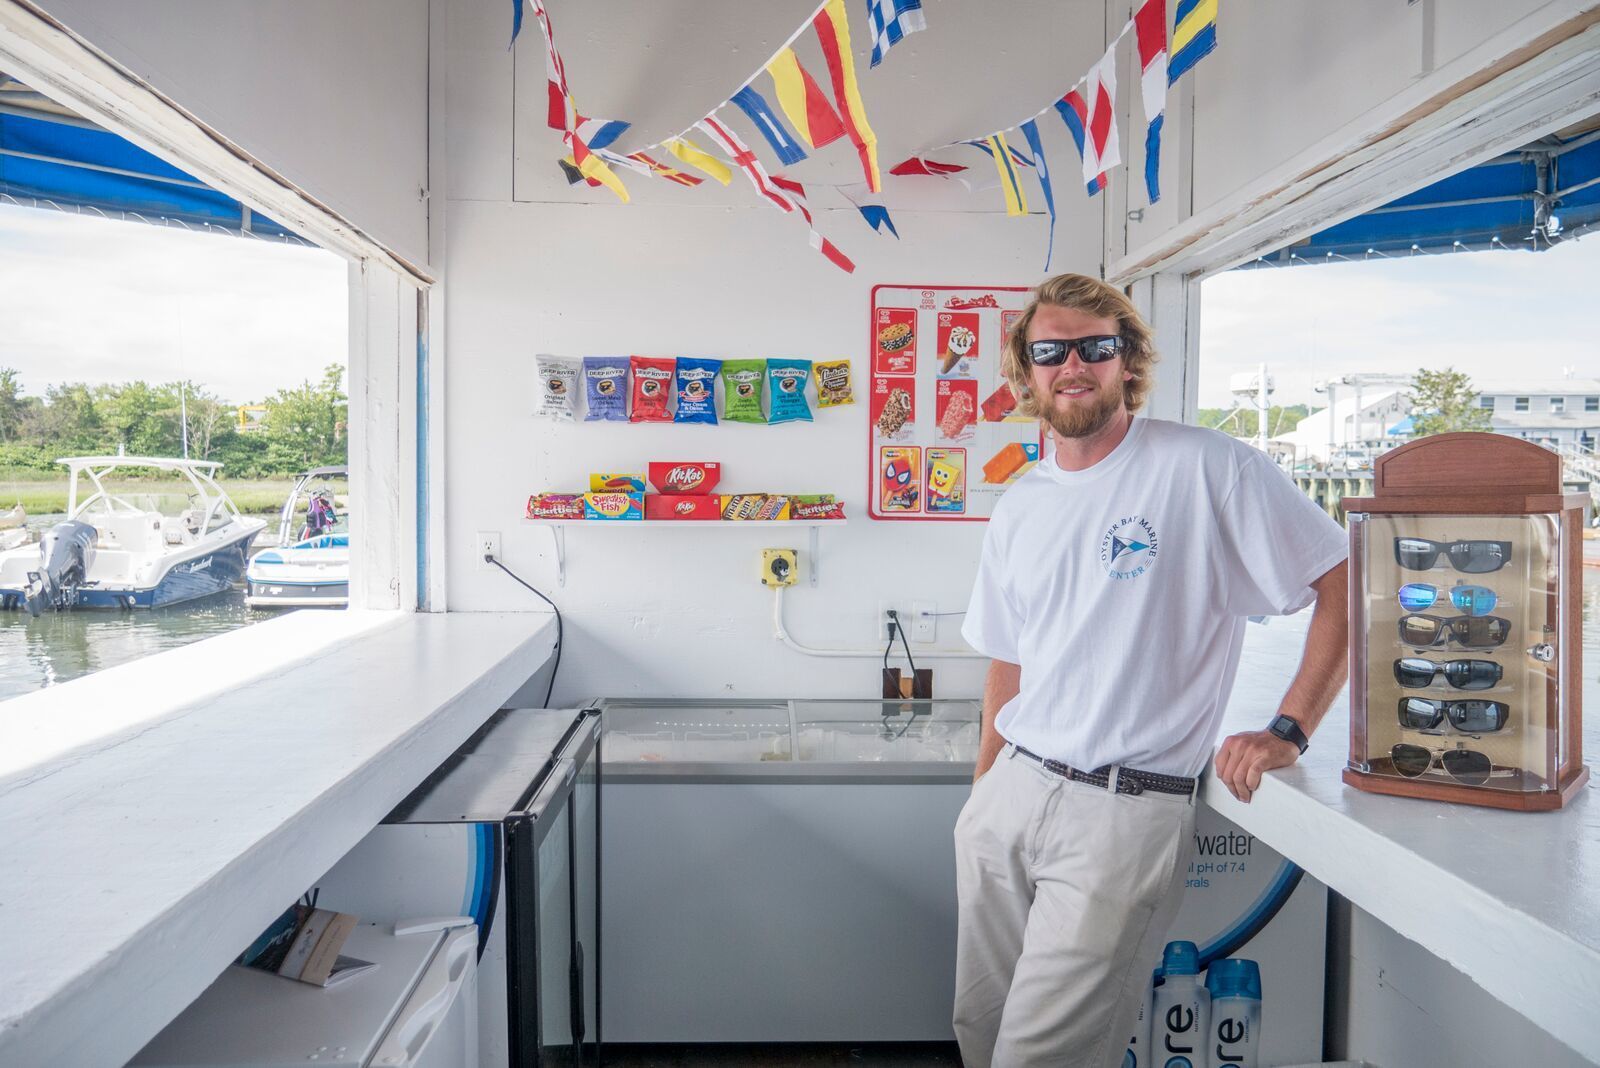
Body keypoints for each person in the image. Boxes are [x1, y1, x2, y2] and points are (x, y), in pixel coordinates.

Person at [953, 273, 1348, 1068]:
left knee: (1041, 1057)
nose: (1072, 366)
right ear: (1026, 371)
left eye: (1094, 348)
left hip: (1120, 812)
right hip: (1010, 797)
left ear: (1127, 361)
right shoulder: (1022, 503)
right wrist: (984, 793)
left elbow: (1343, 579)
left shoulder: (1207, 467)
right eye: (1050, 352)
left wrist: (1289, 730)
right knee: (979, 1026)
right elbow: (1010, 656)